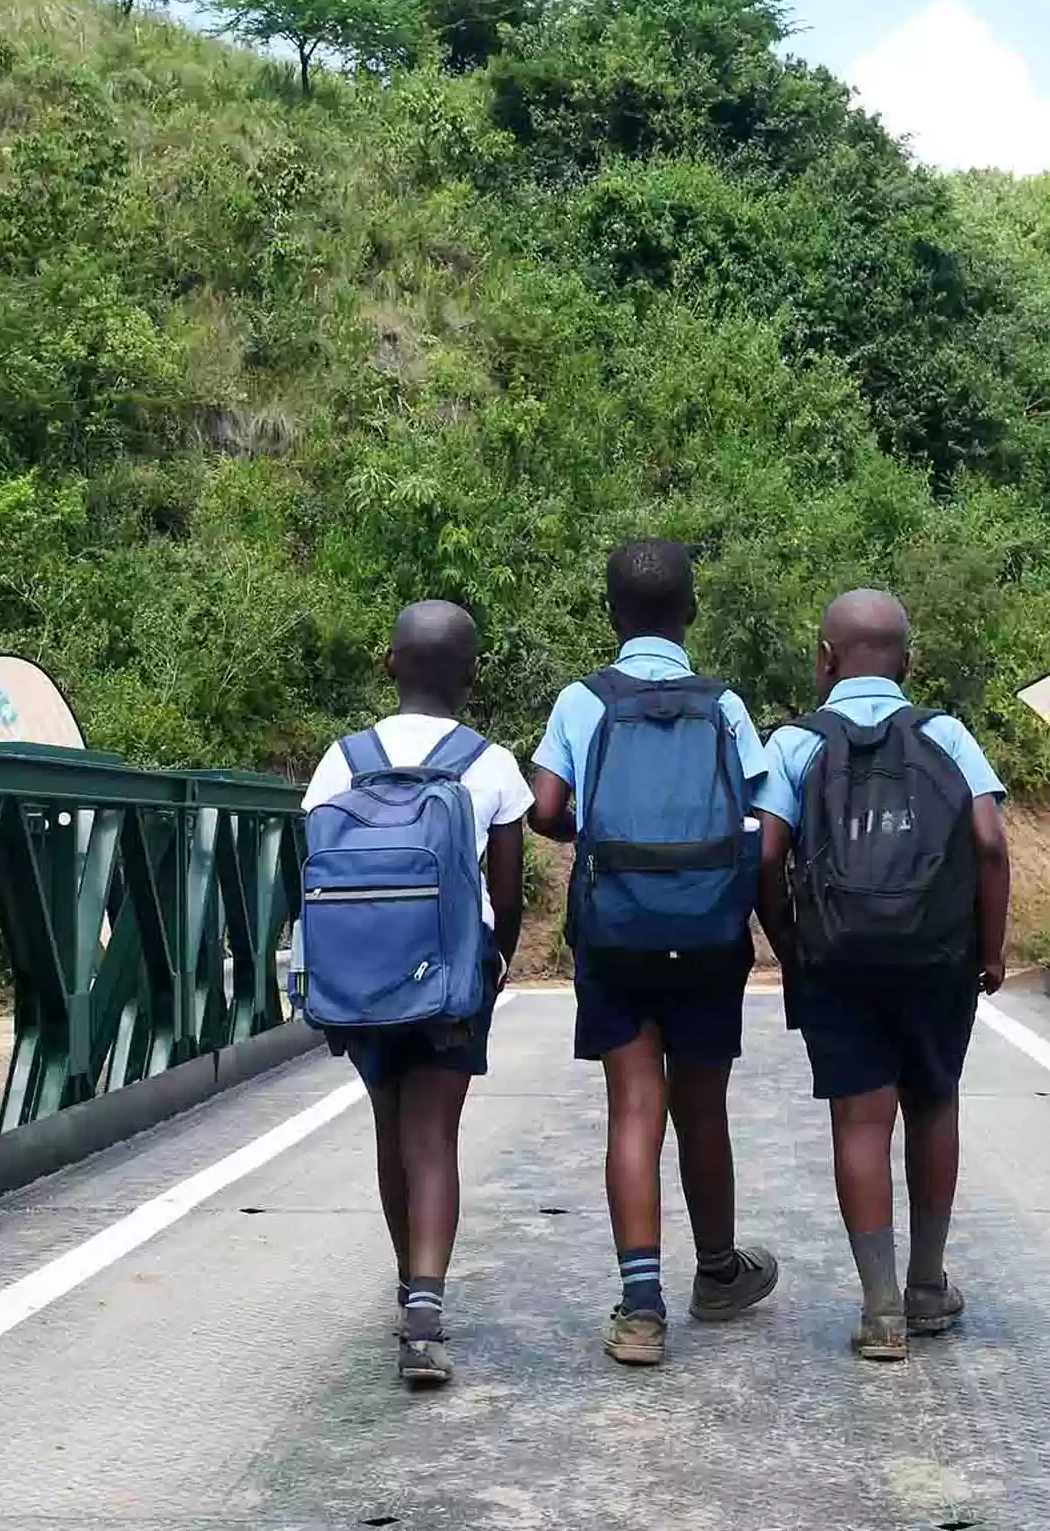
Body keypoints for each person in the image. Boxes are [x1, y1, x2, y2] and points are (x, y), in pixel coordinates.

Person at [528, 539, 778, 1368]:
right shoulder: (725, 705)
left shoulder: (581, 699)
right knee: (701, 1104)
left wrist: (592, 834)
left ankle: (641, 1309)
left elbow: (545, 806)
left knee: (634, 1105)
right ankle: (716, 1274)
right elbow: (763, 807)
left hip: (617, 926)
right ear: (692, 611)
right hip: (707, 928)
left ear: (610, 614)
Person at [755, 588, 1011, 1364]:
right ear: (908, 658)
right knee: (934, 1104)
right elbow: (992, 843)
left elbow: (764, 854)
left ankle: (881, 1310)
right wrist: (990, 950)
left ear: (825, 658)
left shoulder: (797, 744)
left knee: (859, 1124)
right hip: (937, 956)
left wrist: (792, 947)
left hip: (838, 958)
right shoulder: (947, 735)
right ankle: (929, 1284)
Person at [302, 600, 529, 1390]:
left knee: (391, 1129)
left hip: (361, 978)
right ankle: (426, 1316)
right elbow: (509, 892)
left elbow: (311, 870)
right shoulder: (489, 763)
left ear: (389, 663)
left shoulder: (342, 758)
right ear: (472, 675)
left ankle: (408, 1290)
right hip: (449, 983)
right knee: (434, 1137)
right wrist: (491, 971)